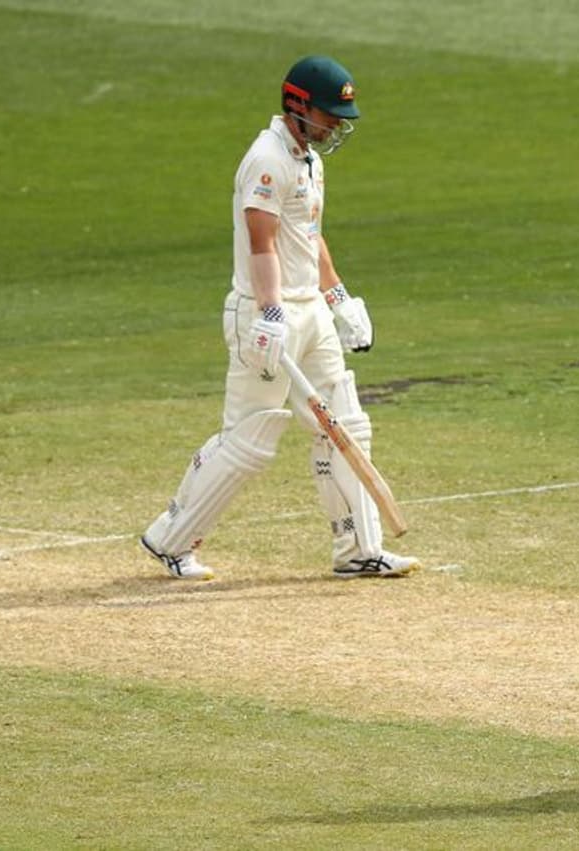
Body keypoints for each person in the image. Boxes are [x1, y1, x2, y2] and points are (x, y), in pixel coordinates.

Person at [140, 55, 420, 581]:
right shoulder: (267, 159)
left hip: (309, 311)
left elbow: (306, 237)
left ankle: (358, 551)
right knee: (250, 439)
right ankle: (170, 539)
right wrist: (269, 313)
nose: (336, 123)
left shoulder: (309, 159)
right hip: (267, 315)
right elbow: (262, 242)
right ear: (296, 105)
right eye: (328, 113)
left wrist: (338, 298)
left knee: (345, 422)